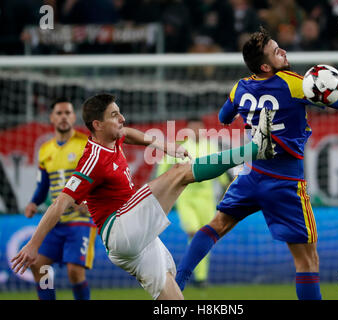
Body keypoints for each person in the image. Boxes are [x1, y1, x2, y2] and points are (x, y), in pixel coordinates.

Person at [175, 27, 338, 300]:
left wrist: (245, 111)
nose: (283, 51)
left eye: (278, 45)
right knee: (307, 261)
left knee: (217, 225)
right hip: (286, 184)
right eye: (276, 51)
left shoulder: (239, 88)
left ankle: (176, 284)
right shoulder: (294, 83)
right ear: (266, 65)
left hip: (251, 176)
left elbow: (224, 116)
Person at [11, 93, 275, 300]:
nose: (122, 118)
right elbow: (60, 202)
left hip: (134, 242)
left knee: (174, 296)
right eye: (115, 115)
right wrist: (34, 244)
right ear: (97, 124)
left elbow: (128, 134)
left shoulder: (113, 138)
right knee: (181, 172)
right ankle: (255, 148)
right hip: (120, 228)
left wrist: (160, 144)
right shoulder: (92, 159)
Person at [24, 97, 96, 300]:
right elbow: (43, 184)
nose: (63, 117)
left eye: (67, 113)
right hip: (55, 221)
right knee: (39, 265)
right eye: (59, 113)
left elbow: (98, 178)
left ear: (74, 117)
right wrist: (33, 202)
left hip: (80, 220)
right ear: (52, 118)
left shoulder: (86, 145)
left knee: (75, 271)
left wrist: (89, 202)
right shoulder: (45, 149)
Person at [156, 117, 230, 287]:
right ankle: (185, 273)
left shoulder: (210, 147)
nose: (196, 131)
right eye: (193, 128)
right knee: (193, 231)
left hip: (206, 197)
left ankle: (201, 278)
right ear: (188, 131)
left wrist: (227, 185)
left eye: (199, 128)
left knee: (206, 235)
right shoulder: (179, 147)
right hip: (185, 197)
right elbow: (164, 166)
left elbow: (219, 168)